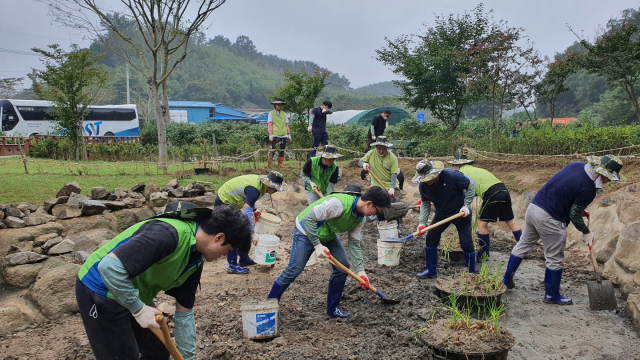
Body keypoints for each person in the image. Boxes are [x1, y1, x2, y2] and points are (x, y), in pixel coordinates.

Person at [76, 202, 251, 360]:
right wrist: (137, 309)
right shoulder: (168, 234)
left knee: (157, 351)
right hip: (100, 288)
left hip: (134, 293)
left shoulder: (195, 259)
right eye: (228, 250)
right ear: (219, 237)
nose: (224, 256)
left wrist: (187, 357)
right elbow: (109, 267)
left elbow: (184, 313)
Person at [502, 155, 625, 305]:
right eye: (610, 178)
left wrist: (578, 210)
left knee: (523, 244)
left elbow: (564, 190)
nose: (610, 181)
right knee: (555, 257)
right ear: (603, 174)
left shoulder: (576, 166)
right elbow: (574, 214)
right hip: (550, 218)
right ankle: (552, 295)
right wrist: (586, 232)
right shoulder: (589, 189)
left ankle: (506, 281)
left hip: (534, 208)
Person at [267, 185, 391, 318]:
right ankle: (269, 308)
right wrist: (317, 245)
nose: (377, 215)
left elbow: (354, 243)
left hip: (327, 234)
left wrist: (361, 271)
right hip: (305, 230)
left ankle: (333, 309)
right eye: (378, 211)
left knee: (342, 267)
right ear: (369, 204)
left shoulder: (360, 218)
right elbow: (308, 219)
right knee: (294, 269)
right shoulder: (338, 204)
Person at [447, 153, 522, 259]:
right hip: (503, 190)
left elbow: (463, 191)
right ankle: (524, 249)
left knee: (482, 224)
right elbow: (476, 189)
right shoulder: (477, 170)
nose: (453, 168)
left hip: (492, 193)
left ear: (457, 166)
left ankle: (484, 254)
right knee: (511, 222)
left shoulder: (461, 173)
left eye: (454, 166)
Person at [413, 159, 476, 278]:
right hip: (442, 213)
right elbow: (425, 204)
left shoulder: (452, 175)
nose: (427, 181)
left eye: (429, 178)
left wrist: (466, 205)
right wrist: (422, 223)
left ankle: (471, 274)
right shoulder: (424, 186)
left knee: (466, 242)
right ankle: (430, 271)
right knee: (431, 237)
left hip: (461, 212)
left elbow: (470, 186)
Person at [215, 171, 288, 274]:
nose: (276, 190)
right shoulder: (255, 190)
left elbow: (248, 199)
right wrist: (253, 233)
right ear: (269, 185)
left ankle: (244, 259)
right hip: (224, 201)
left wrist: (255, 210)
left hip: (233, 202)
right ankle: (232, 265)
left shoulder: (260, 186)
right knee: (234, 233)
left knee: (243, 230)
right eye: (275, 188)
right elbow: (246, 212)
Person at [266, 97, 292, 168]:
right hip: (275, 134)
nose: (279, 106)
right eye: (278, 104)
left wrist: (289, 134)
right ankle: (269, 163)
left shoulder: (284, 114)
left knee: (282, 150)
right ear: (275, 105)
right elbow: (270, 124)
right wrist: (270, 134)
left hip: (284, 134)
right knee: (273, 149)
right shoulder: (271, 113)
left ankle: (280, 163)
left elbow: (286, 124)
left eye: (281, 104)